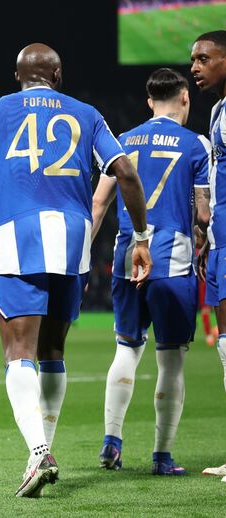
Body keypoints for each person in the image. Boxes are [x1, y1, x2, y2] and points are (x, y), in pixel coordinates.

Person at [0, 43, 151, 497]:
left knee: (18, 350)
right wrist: (140, 239)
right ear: (57, 76)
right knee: (53, 350)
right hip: (73, 236)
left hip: (16, 234)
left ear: (17, 75)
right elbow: (128, 175)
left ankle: (39, 452)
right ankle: (40, 452)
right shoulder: (87, 113)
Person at [91, 68, 211, 476]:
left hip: (128, 254)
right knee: (171, 360)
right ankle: (161, 455)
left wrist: (81, 257)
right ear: (185, 99)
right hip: (173, 261)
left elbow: (98, 203)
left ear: (148, 102)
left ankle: (112, 440)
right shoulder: (196, 144)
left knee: (126, 350)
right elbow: (204, 213)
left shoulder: (123, 142)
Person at [192, 30, 226, 482]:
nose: (195, 66)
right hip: (220, 241)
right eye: (193, 60)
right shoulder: (218, 110)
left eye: (205, 58)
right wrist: (208, 235)